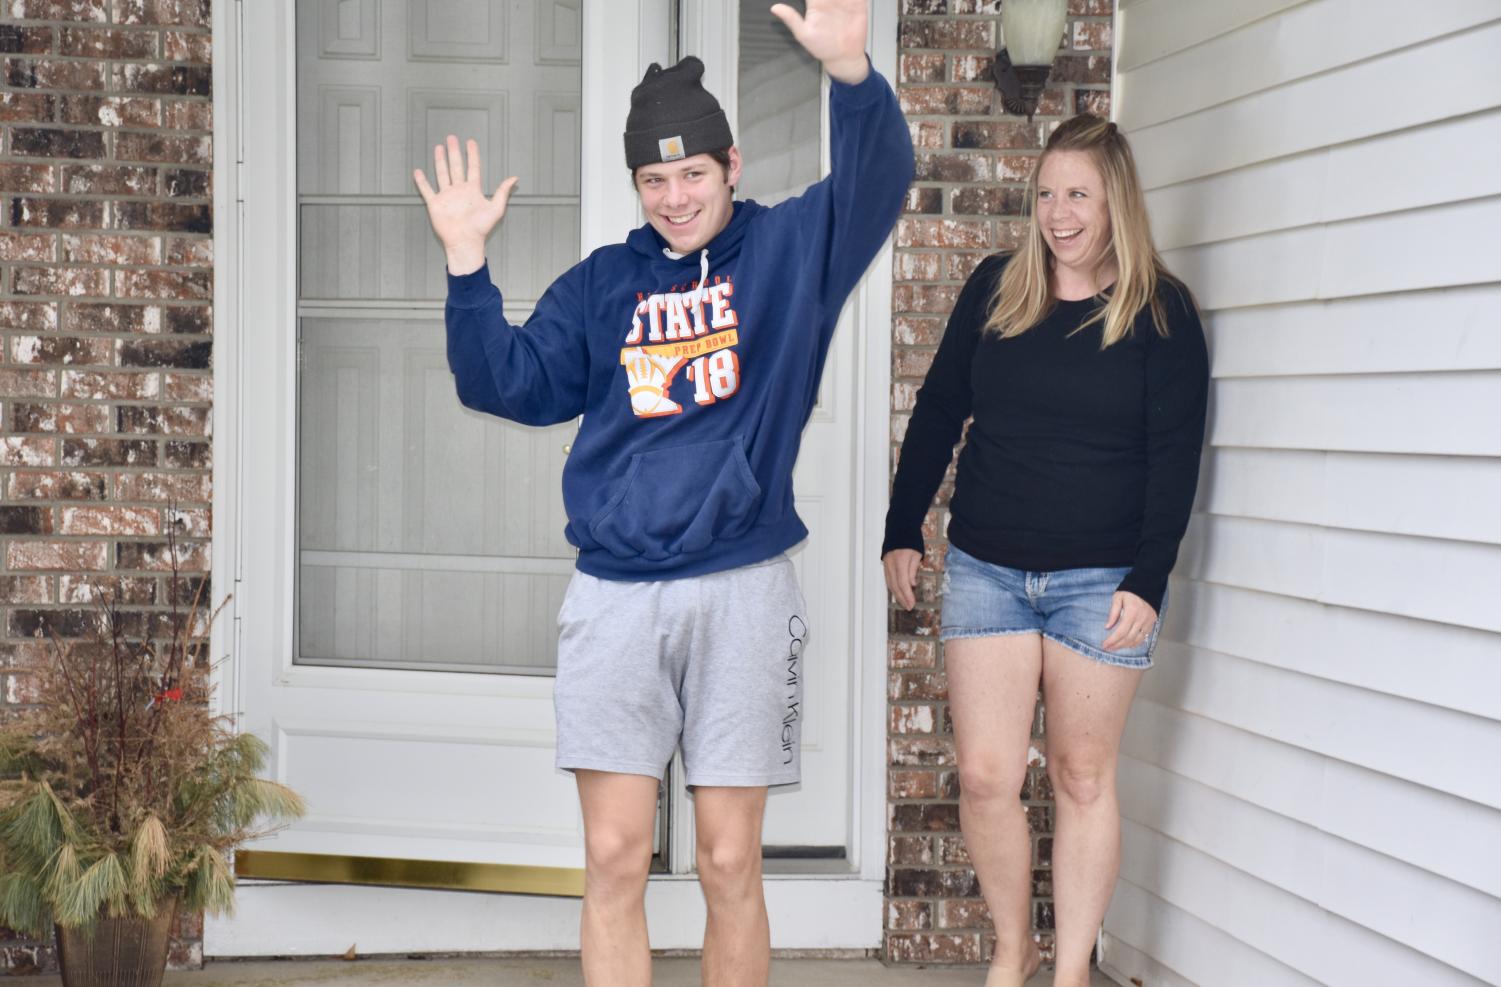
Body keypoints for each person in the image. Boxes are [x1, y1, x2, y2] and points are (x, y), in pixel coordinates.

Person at [413, 1, 912, 983]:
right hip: (616, 597)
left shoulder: (782, 257)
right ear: (635, 183)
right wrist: (467, 264)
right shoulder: (604, 285)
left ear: (731, 166)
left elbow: (879, 182)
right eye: (654, 178)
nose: (675, 196)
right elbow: (504, 381)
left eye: (692, 173)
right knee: (611, 859)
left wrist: (853, 76)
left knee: (730, 862)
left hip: (741, 591)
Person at [881, 114, 1208, 987]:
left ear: (1116, 203)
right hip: (988, 566)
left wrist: (1149, 575)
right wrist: (900, 525)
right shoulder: (998, 287)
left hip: (1103, 579)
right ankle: (1011, 946)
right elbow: (941, 409)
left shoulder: (1160, 313)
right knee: (987, 776)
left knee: (1079, 773)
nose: (1058, 213)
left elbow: (1176, 457)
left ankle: (1066, 972)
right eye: (1046, 194)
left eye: (1078, 194)